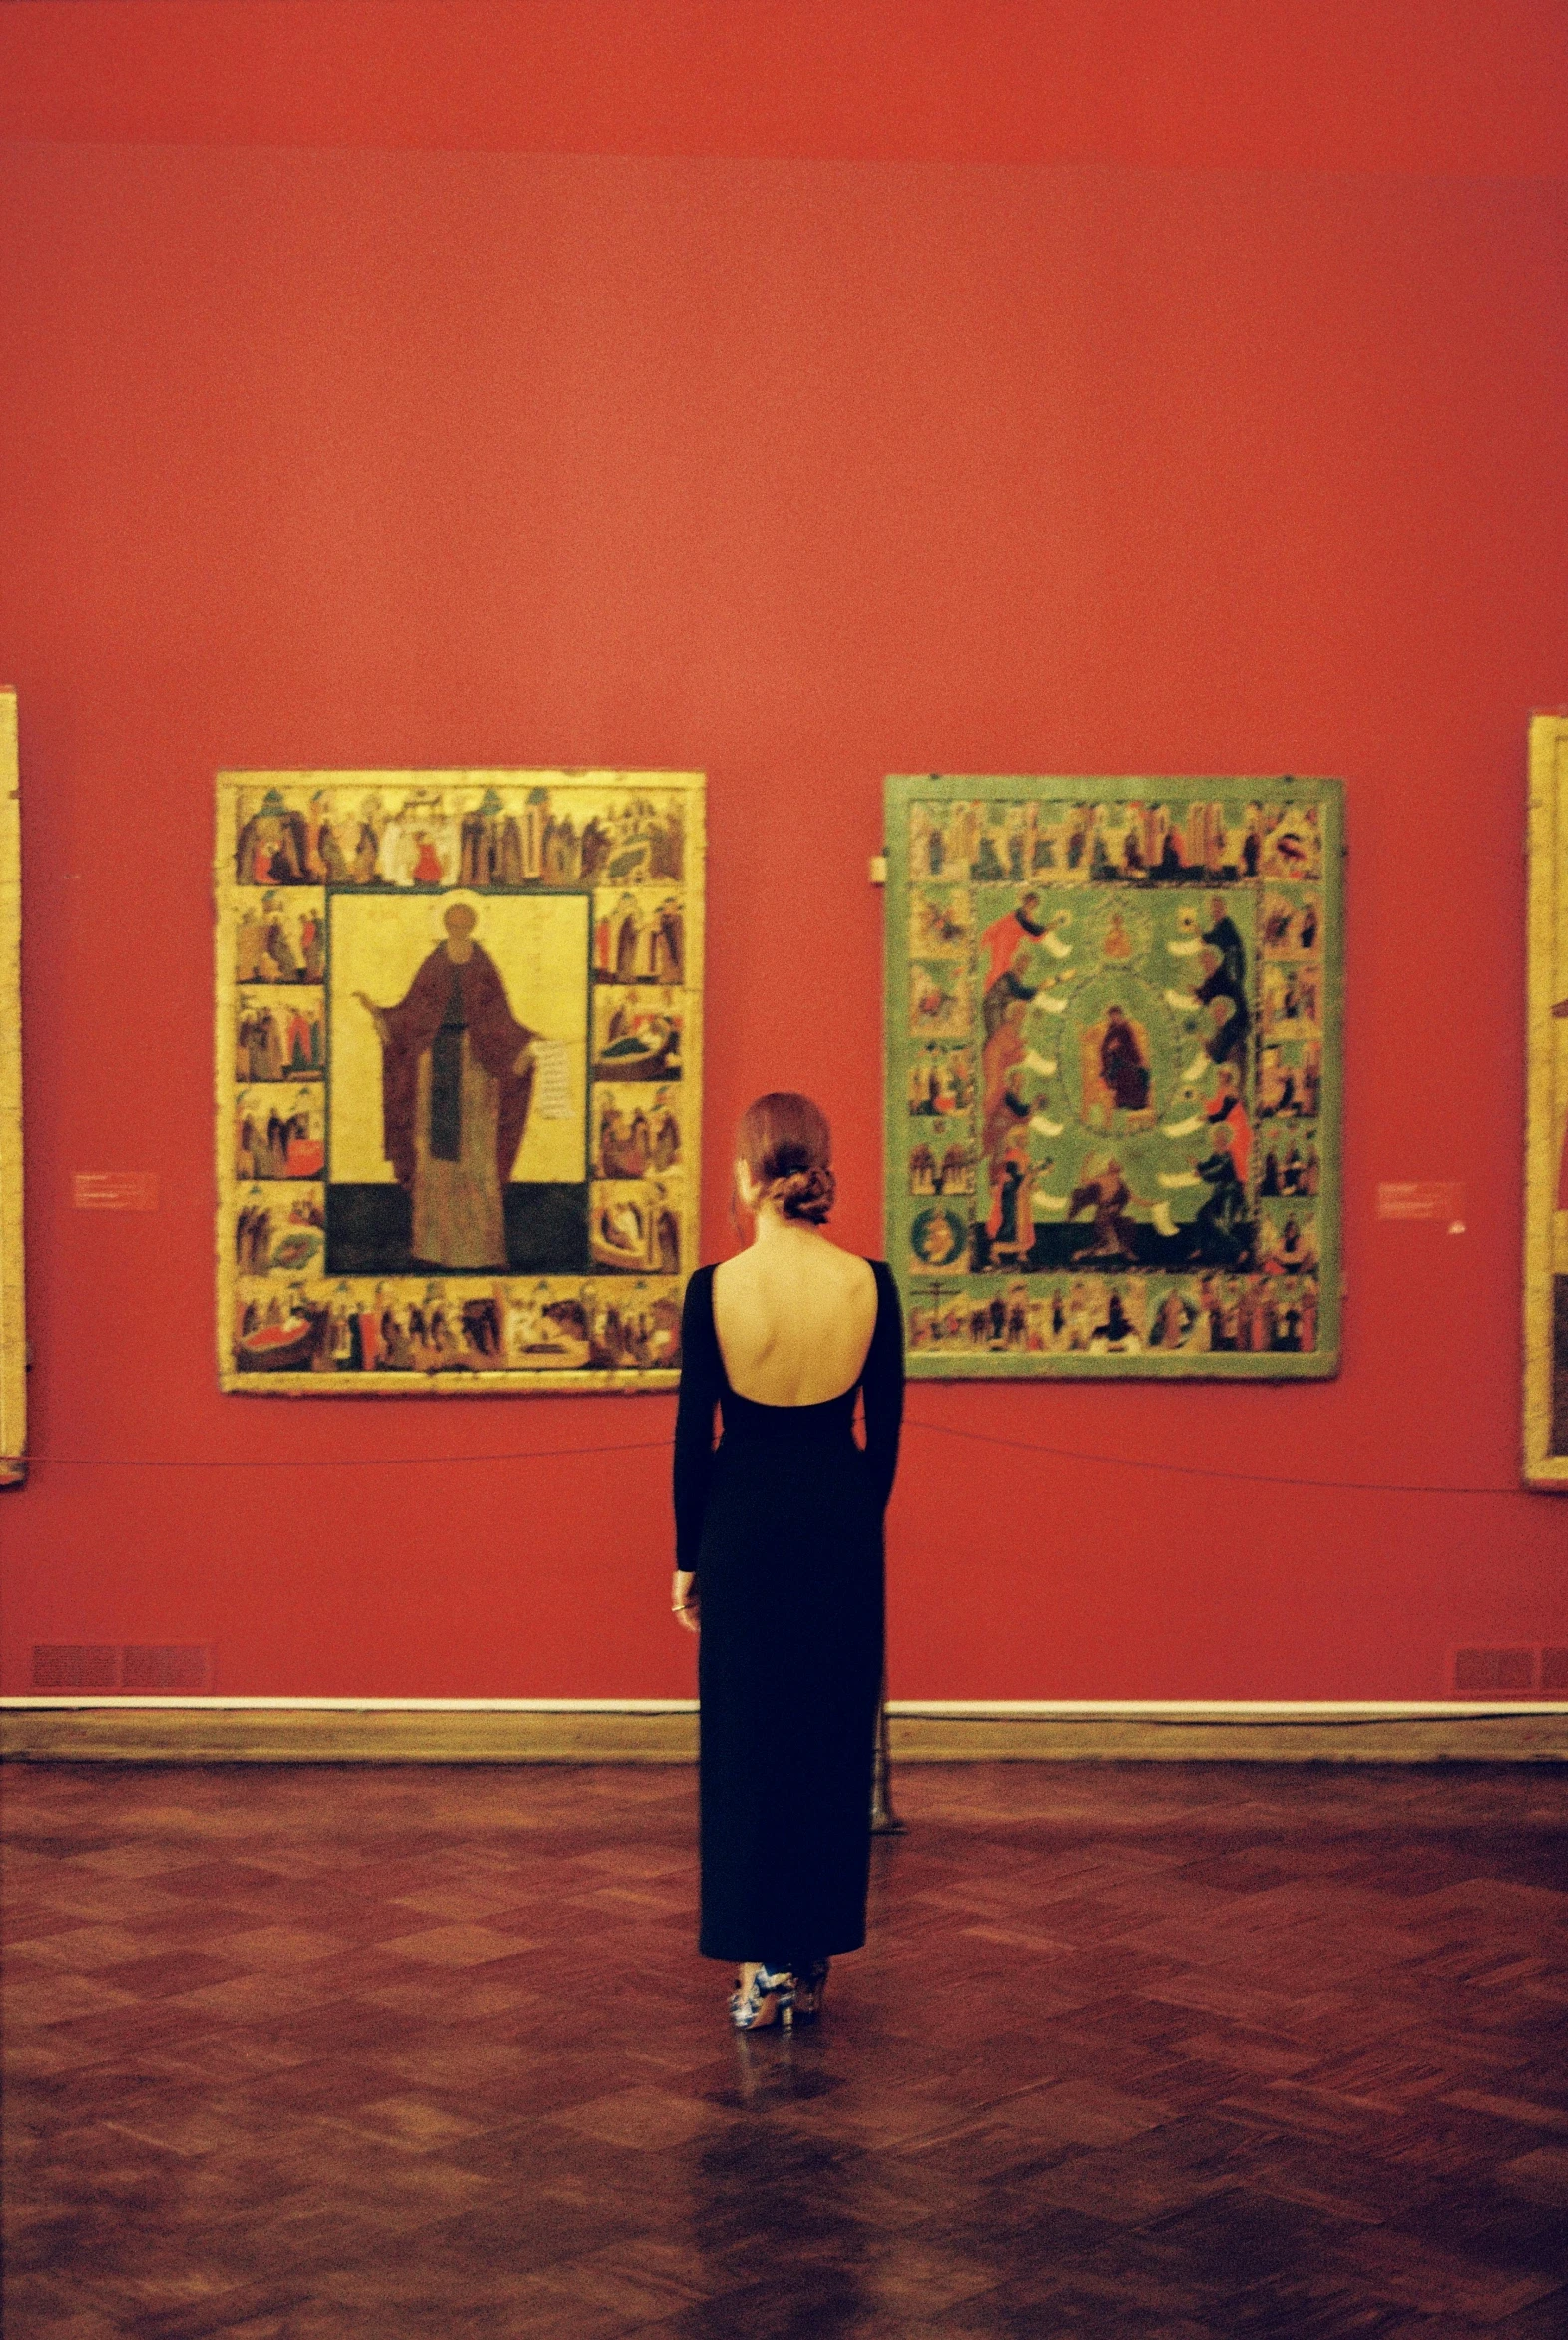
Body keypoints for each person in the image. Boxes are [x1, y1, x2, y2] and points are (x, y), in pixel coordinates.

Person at [671, 1093, 903, 2034]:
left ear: (744, 1174)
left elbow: (694, 1436)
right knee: (829, 1742)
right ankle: (807, 1960)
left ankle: (760, 1962)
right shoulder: (871, 1284)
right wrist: (854, 1519)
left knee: (748, 1745)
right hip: (841, 1523)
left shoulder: (714, 1289)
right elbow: (883, 1436)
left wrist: (688, 1558)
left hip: (743, 1522)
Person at [355, 901, 536, 1270]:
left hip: (477, 1066)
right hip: (435, 1065)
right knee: (433, 1155)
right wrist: (382, 1016)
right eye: (452, 923)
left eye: (463, 923)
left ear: (471, 926)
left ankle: (481, 1249)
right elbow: (415, 1010)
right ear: (445, 925)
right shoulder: (434, 963)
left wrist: (524, 1044)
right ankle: (433, 1247)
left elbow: (498, 1017)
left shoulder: (483, 966)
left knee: (476, 1152)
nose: (458, 929)